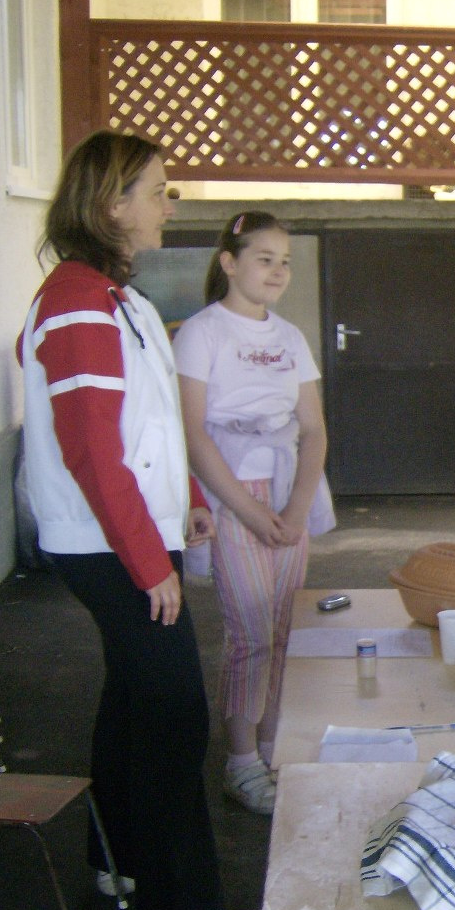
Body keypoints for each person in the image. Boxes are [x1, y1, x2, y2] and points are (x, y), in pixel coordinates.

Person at [17, 130, 258, 910]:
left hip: (131, 535)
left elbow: (149, 422)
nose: (170, 201)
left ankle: (118, 856)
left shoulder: (124, 300)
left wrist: (186, 499)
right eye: (158, 189)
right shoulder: (76, 302)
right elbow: (91, 447)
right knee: (171, 712)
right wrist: (149, 563)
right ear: (111, 204)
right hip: (105, 545)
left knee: (134, 697)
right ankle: (177, 904)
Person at [174, 211, 332, 814]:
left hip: (288, 496)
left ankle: (274, 748)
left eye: (284, 260)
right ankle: (241, 763)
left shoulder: (289, 338)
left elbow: (313, 430)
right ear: (229, 263)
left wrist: (293, 510)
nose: (277, 271)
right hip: (229, 498)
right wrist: (246, 511)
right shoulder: (201, 333)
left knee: (287, 629)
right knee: (251, 633)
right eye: (263, 258)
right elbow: (194, 434)